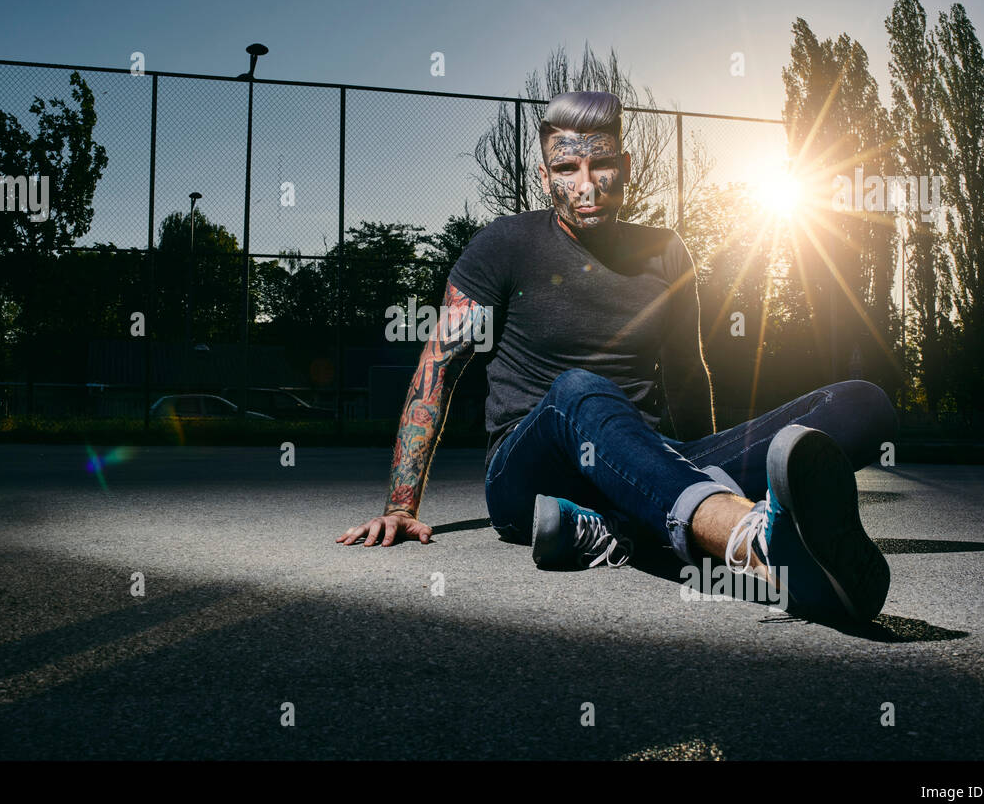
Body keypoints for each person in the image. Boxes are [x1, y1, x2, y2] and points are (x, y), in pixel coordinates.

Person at [339, 90, 894, 622]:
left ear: (625, 165)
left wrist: (704, 464)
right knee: (580, 389)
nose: (586, 187)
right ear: (543, 176)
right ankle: (751, 543)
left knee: (860, 404)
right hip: (529, 474)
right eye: (565, 171)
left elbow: (686, 377)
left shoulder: (666, 251)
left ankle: (615, 527)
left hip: (645, 456)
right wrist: (401, 506)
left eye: (600, 164)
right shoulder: (504, 244)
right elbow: (439, 366)